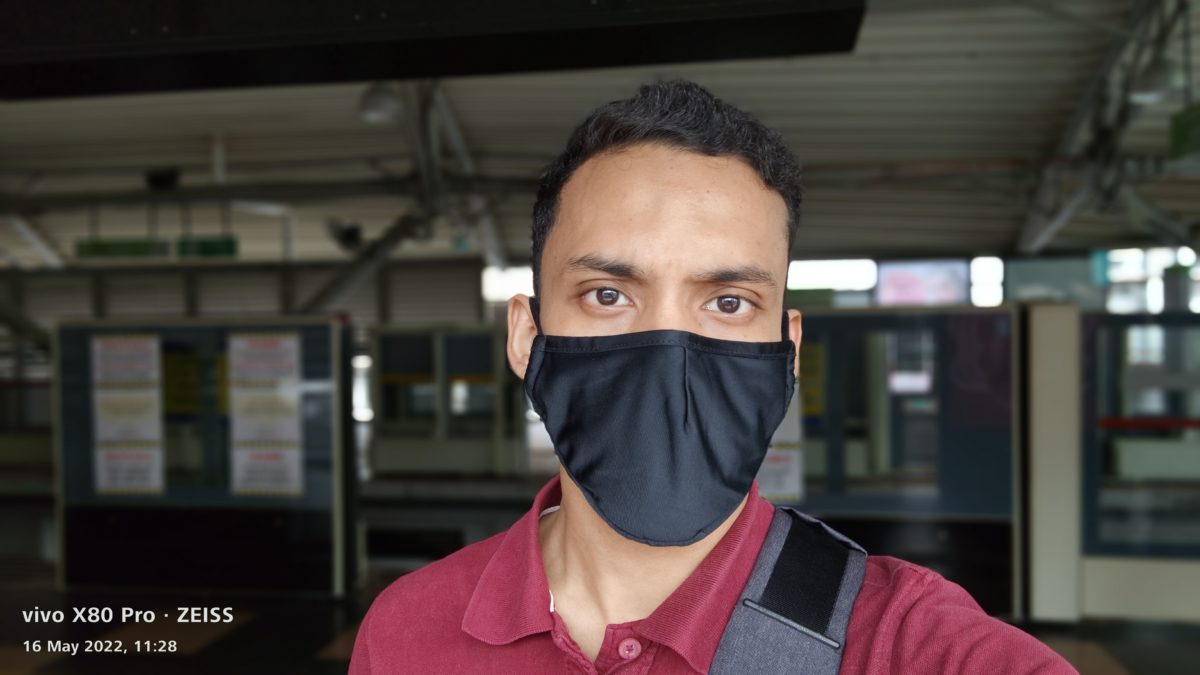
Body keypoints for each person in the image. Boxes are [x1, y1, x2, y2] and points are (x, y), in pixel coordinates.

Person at [348, 79, 1076, 674]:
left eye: (728, 302)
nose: (668, 351)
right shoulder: (406, 632)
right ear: (526, 336)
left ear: (788, 350)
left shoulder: (905, 642)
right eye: (608, 294)